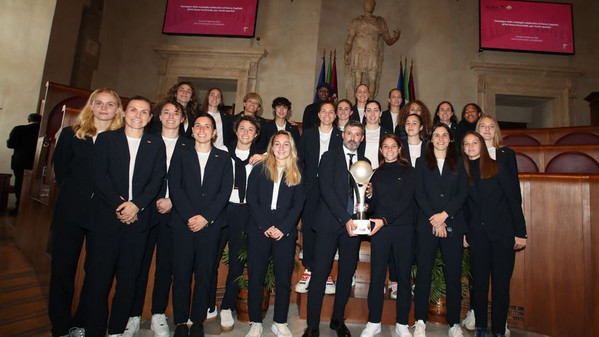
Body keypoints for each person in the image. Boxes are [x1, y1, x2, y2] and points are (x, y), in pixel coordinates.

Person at [76, 96, 166, 337]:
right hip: (105, 221)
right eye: (133, 110)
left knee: (128, 281)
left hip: (139, 222)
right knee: (98, 281)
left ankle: (116, 330)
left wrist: (136, 205)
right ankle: (94, 330)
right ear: (124, 114)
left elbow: (156, 179)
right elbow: (100, 177)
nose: (138, 115)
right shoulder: (106, 140)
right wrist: (121, 206)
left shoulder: (155, 144)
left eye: (144, 112)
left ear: (149, 118)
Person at [48, 88, 123, 337]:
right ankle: (60, 326)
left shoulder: (121, 139)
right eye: (99, 103)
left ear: (117, 109)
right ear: (91, 106)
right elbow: (61, 172)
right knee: (63, 270)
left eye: (110, 104)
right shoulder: (72, 135)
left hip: (103, 213)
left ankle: (80, 322)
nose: (104, 108)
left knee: (96, 274)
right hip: (71, 210)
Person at [124, 101, 188, 337]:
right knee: (138, 265)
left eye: (176, 113)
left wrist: (172, 200)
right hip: (145, 210)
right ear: (158, 117)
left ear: (183, 119)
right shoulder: (146, 139)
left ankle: (159, 313)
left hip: (174, 212)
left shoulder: (188, 144)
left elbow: (188, 182)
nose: (171, 116)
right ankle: (133, 314)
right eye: (166, 113)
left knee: (165, 265)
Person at [168, 113, 233, 337]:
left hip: (211, 225)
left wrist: (205, 217)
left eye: (208, 126)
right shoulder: (181, 154)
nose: (203, 130)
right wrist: (189, 217)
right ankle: (179, 321)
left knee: (205, 273)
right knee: (182, 273)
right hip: (183, 224)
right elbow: (176, 188)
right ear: (193, 130)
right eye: (198, 126)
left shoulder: (223, 158)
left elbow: (224, 191)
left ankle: (197, 321)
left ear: (215, 133)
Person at [302, 119, 367, 337]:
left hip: (354, 227)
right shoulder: (329, 157)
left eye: (358, 134)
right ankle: (312, 325)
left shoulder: (365, 161)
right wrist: (345, 218)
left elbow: (369, 197)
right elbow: (326, 191)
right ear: (343, 134)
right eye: (349, 133)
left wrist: (369, 196)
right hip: (329, 224)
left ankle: (337, 320)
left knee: (347, 273)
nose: (353, 138)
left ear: (362, 138)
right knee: (320, 274)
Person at [462, 131, 527, 337]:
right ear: (463, 148)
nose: (471, 146)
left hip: (502, 234)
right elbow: (463, 207)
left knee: (500, 285)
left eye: (475, 143)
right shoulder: (463, 172)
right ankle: (481, 326)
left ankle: (499, 329)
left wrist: (521, 232)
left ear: (482, 145)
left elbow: (513, 200)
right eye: (466, 144)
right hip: (476, 236)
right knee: (479, 284)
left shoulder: (497, 166)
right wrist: (465, 232)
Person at [244, 131, 306, 337]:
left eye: (285, 144)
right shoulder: (260, 168)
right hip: (259, 229)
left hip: (284, 232)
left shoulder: (297, 172)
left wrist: (284, 228)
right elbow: (251, 198)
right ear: (271, 147)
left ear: (291, 148)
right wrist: (265, 226)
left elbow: (298, 205)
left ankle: (280, 321)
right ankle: (255, 322)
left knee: (283, 279)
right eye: (277, 144)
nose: (281, 148)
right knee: (256, 277)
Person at [208, 115, 265, 332]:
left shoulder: (260, 158)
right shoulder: (221, 151)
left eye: (251, 129)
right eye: (242, 128)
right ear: (236, 130)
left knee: (236, 262)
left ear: (256, 134)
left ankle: (226, 307)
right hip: (221, 209)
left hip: (244, 212)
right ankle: (207, 304)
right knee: (211, 257)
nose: (246, 132)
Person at [412, 123, 468, 337]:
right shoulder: (421, 162)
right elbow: (419, 193)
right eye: (437, 135)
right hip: (427, 225)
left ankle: (454, 323)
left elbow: (463, 193)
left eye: (445, 135)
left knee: (453, 275)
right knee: (424, 274)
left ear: (450, 139)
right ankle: (419, 321)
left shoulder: (459, 163)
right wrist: (436, 221)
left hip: (452, 224)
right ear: (431, 139)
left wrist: (445, 216)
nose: (441, 138)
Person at [360, 134, 416, 337]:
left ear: (399, 149)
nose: (390, 149)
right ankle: (373, 321)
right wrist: (368, 199)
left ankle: (402, 323)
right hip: (380, 231)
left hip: (403, 229)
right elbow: (374, 206)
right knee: (376, 277)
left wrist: (384, 219)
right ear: (381, 150)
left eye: (394, 146)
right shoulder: (375, 173)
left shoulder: (410, 172)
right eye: (386, 146)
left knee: (403, 277)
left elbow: (404, 203)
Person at [295, 101, 343, 295]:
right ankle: (310, 268)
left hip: (332, 188)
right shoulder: (308, 135)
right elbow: (298, 160)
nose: (327, 115)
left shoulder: (340, 136)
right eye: (324, 111)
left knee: (328, 229)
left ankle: (326, 273)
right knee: (309, 227)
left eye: (331, 112)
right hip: (311, 187)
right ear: (319, 114)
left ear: (335, 116)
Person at [344, 0, 400, 99]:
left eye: (371, 3)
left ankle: (370, 103)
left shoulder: (380, 22)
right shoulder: (357, 21)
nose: (369, 5)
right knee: (357, 80)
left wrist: (395, 38)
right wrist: (346, 53)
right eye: (367, 3)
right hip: (359, 53)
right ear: (364, 5)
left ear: (374, 6)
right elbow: (349, 40)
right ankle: (358, 104)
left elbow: (388, 40)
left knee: (373, 79)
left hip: (373, 54)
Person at [6, 113, 41, 213]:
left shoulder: (18, 129)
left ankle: (19, 208)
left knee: (19, 184)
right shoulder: (42, 131)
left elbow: (10, 144)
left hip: (20, 161)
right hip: (36, 161)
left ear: (28, 120)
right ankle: (31, 209)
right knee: (34, 186)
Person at [358, 100, 390, 169]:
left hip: (381, 173)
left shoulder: (388, 135)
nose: (372, 114)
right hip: (361, 171)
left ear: (380, 113)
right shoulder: (358, 133)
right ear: (365, 113)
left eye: (376, 110)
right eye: (369, 110)